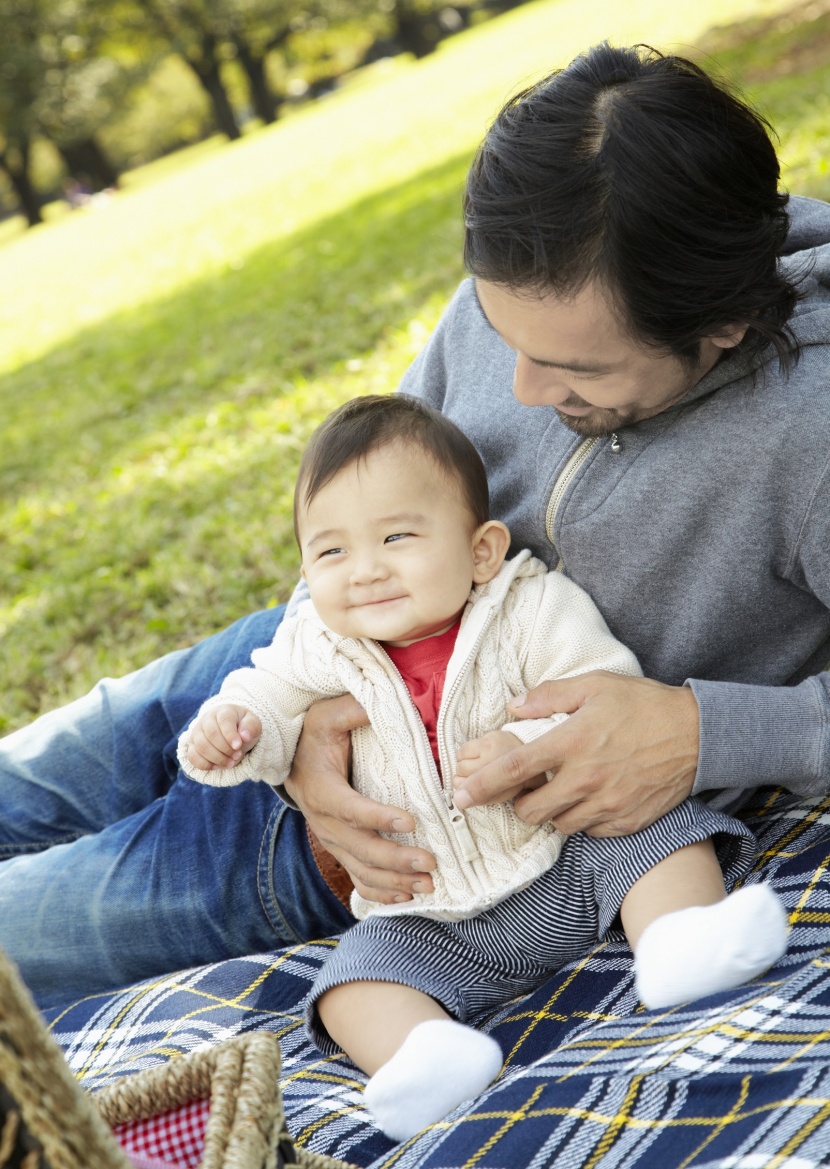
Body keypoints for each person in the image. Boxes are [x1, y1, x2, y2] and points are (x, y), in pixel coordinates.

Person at [0, 43, 828, 1011]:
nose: (516, 387)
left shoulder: (804, 432)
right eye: (499, 332)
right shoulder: (539, 273)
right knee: (30, 774)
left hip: (361, 852)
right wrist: (296, 725)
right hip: (271, 671)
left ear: (717, 326)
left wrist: (700, 731)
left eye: (575, 372)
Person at [177, 394, 784, 1141]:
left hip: (565, 856)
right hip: (430, 913)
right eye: (331, 552)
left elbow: (602, 689)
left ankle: (679, 940)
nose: (364, 571)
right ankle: (428, 1055)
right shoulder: (317, 644)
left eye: (397, 536)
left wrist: (531, 744)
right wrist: (239, 728)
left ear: (481, 551)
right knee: (349, 981)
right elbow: (265, 697)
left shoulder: (528, 609)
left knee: (662, 830)